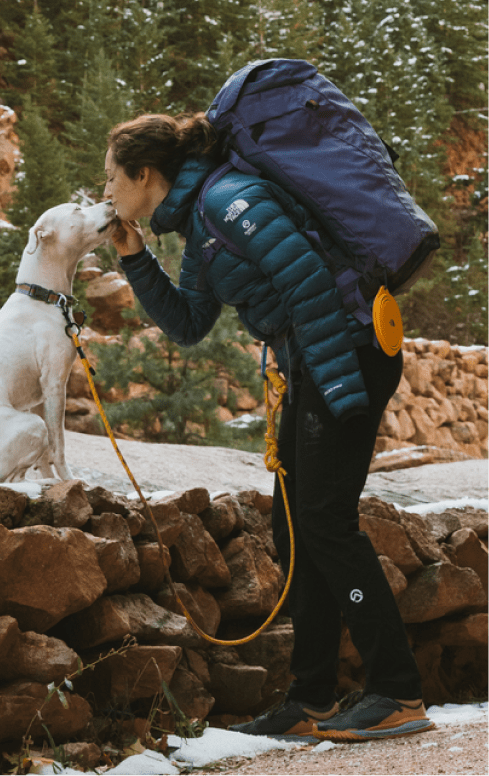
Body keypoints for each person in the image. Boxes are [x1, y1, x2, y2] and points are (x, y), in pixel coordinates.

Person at [103, 112, 434, 742]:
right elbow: (190, 321)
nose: (107, 191)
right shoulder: (199, 223)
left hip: (348, 354)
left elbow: (308, 282)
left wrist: (330, 383)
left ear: (144, 175)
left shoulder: (228, 202)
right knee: (295, 528)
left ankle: (397, 689)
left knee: (325, 523)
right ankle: (312, 698)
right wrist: (136, 257)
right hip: (319, 362)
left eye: (112, 178)